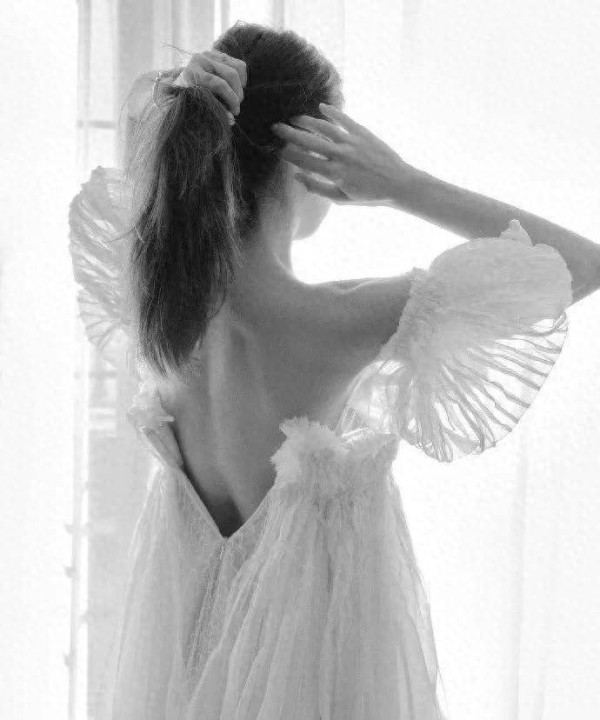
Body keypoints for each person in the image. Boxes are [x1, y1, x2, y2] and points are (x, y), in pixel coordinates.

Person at [68, 20, 599, 720]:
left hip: (188, 682)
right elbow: (580, 265)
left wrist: (181, 99)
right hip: (317, 686)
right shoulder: (339, 319)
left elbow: (150, 144)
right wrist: (401, 184)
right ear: (309, 156)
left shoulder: (159, 308)